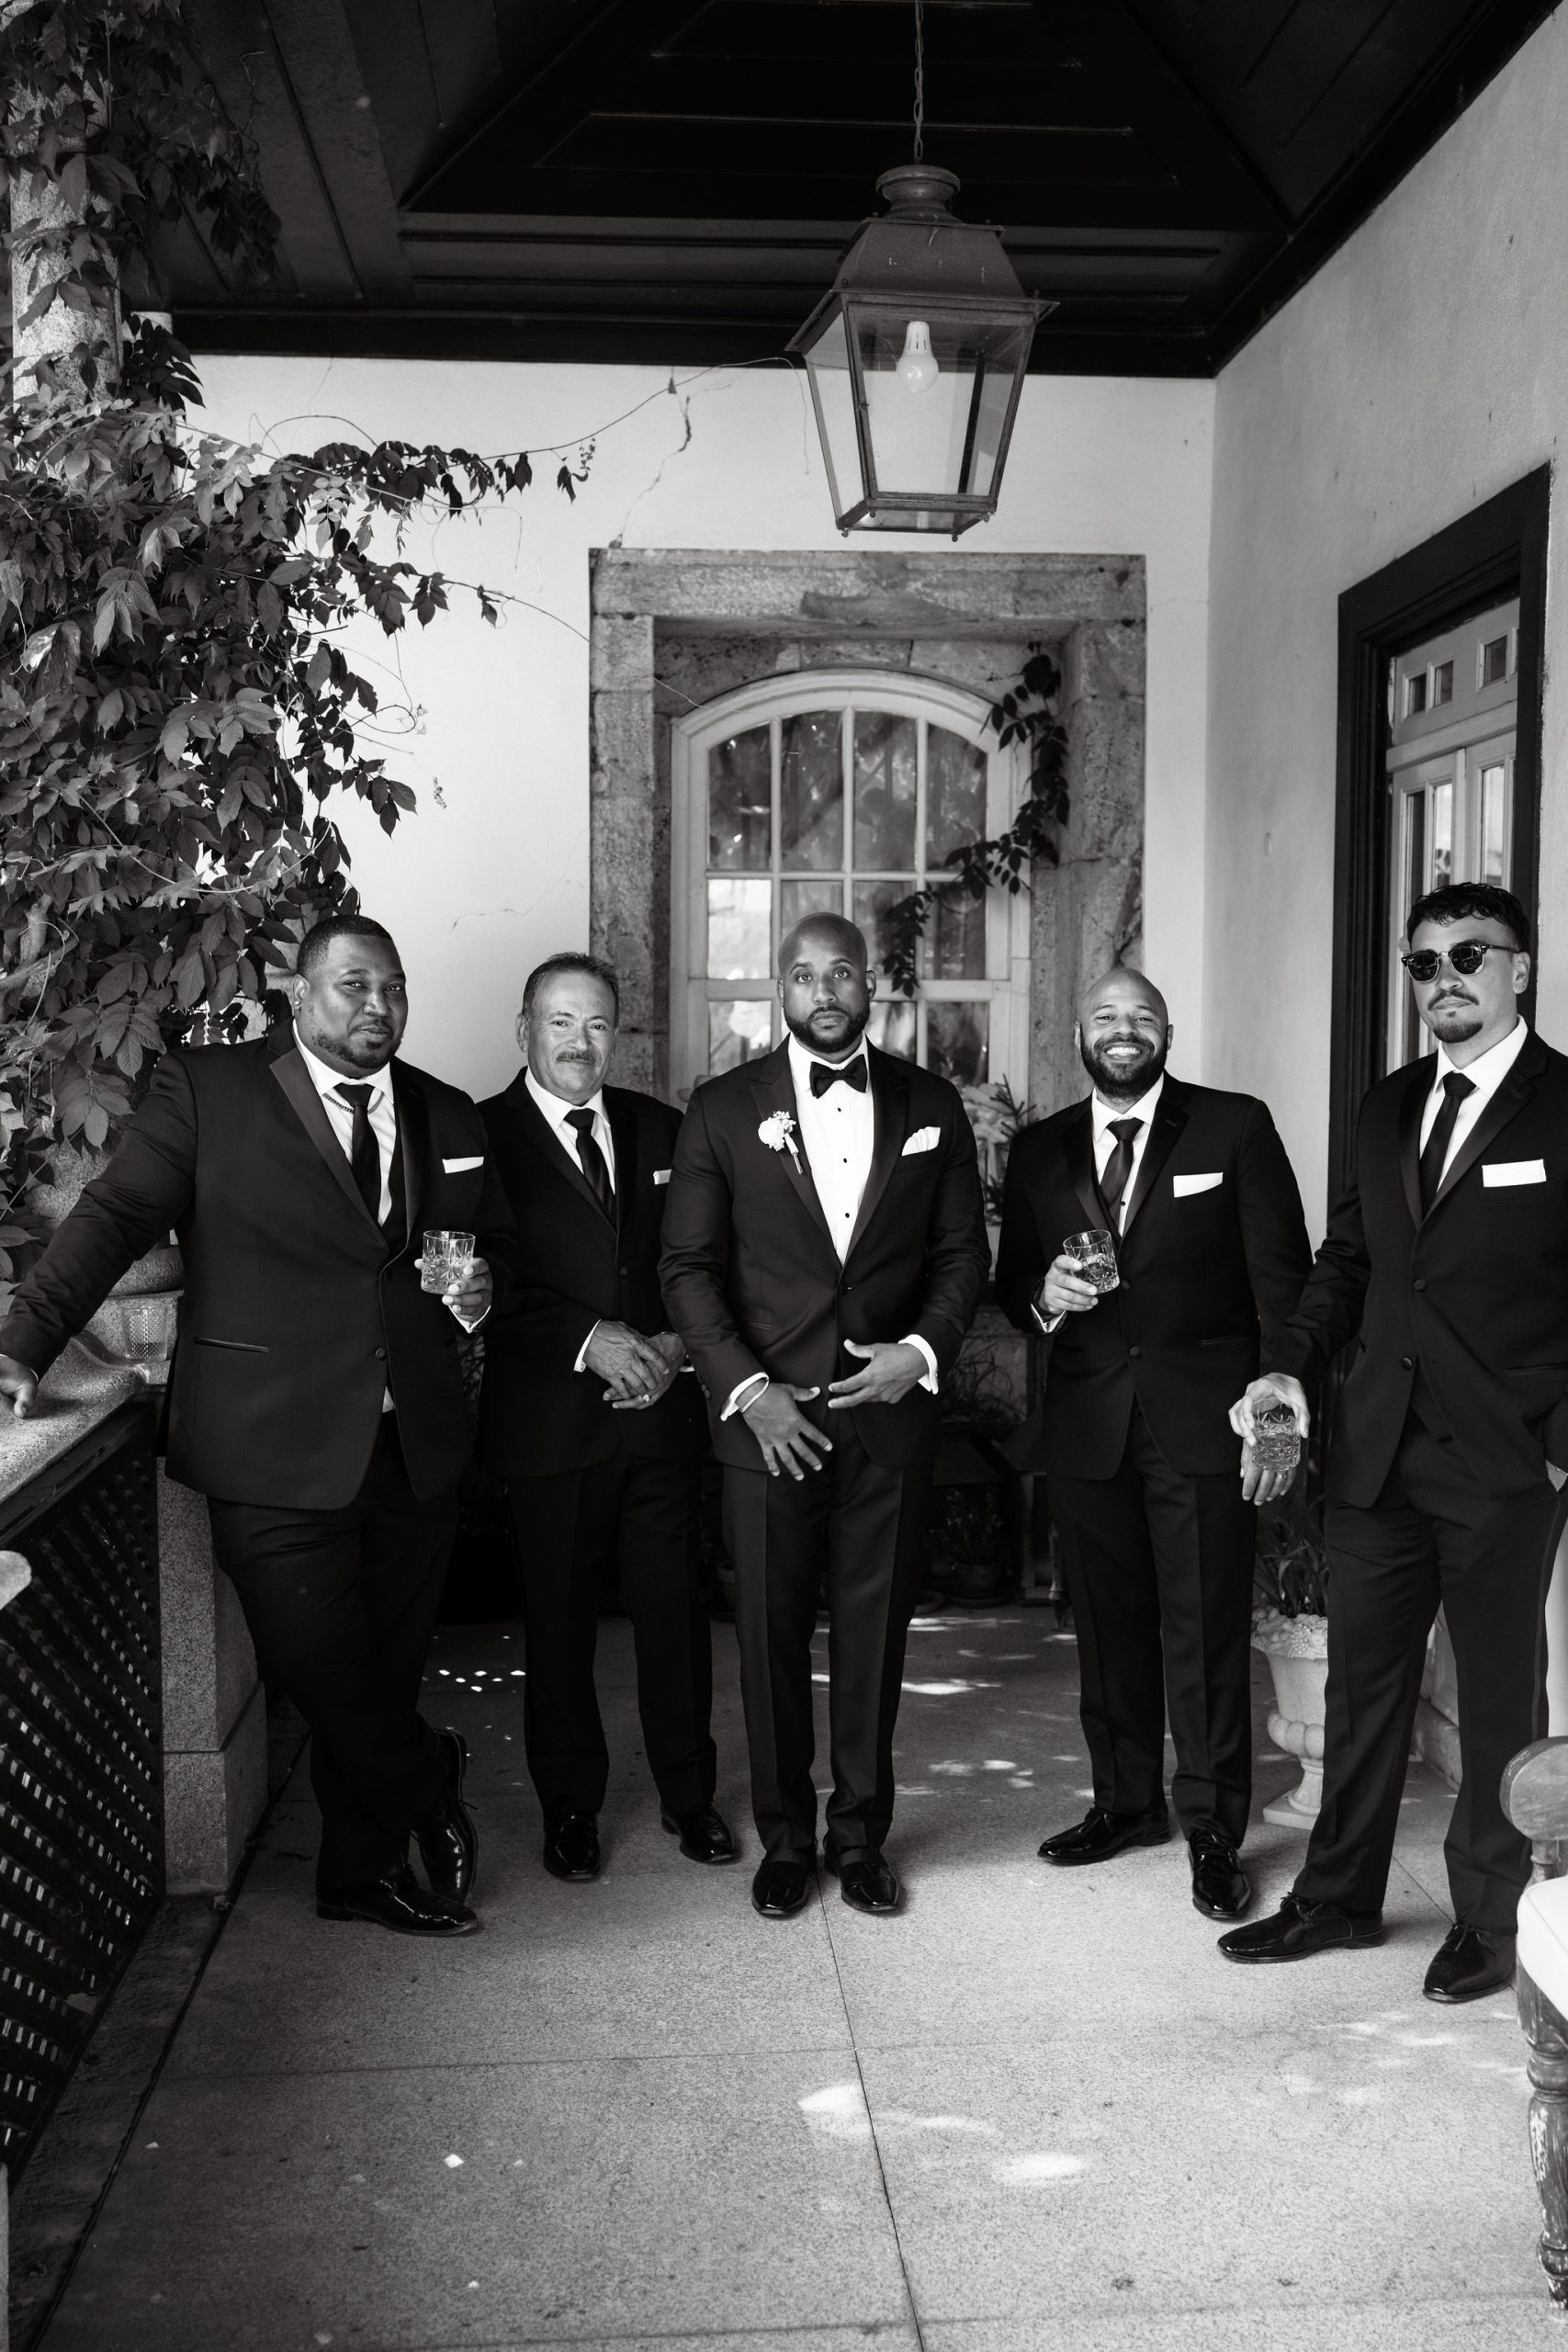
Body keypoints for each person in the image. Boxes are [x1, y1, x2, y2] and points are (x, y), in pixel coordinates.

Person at [0, 915, 518, 1939]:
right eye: (354, 985)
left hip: (414, 1443)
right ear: (298, 993)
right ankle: (429, 1773)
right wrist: (25, 1341)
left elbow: (491, 1242)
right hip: (265, 1440)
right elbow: (116, 1216)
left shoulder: (448, 1111)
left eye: (393, 987)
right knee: (316, 1657)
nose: (378, 1006)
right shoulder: (210, 1088)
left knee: (384, 1664)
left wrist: (481, 1284)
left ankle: (358, 1876)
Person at [1223, 881, 1568, 2002]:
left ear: (1521, 968)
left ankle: (1493, 1917)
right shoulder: (1386, 1106)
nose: (1444, 979)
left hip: (1506, 1460)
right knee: (1363, 1687)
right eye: (1424, 962)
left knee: (1502, 1698)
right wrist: (1292, 1363)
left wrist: (1557, 1443)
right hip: (1378, 1450)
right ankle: (1337, 1897)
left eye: (1470, 955)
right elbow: (1350, 1261)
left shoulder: (1565, 1104)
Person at [660, 914, 988, 1919]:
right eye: (803, 975)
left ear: (868, 984)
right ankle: (785, 1840)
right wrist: (749, 1393)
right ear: (781, 990)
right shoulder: (721, 1108)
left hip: (888, 1416)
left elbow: (961, 1255)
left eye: (840, 972)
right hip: (768, 1423)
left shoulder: (931, 1104)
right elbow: (687, 1268)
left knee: (873, 1635)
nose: (824, 991)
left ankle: (859, 1838)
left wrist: (918, 1354)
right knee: (766, 1638)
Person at [996, 967, 1311, 1919]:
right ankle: (1125, 1804)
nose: (1123, 1028)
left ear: (1166, 1033)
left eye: (1141, 1015)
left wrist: (1275, 1431)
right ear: (1079, 1036)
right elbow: (1013, 1285)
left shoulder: (1233, 1126)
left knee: (1205, 1630)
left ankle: (1213, 1828)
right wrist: (1043, 1296)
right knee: (1107, 1626)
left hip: (1204, 1424)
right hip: (1088, 1425)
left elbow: (1282, 1285)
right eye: (1105, 1016)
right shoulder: (1040, 1147)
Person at [476, 951, 731, 1883]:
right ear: (525, 1029)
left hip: (659, 1415)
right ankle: (571, 1808)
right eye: (560, 1022)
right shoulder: (479, 1136)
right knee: (558, 1628)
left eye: (595, 1025)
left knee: (676, 1619)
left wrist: (670, 1348)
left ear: (615, 1035)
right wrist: (591, 1340)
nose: (579, 1042)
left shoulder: (663, 1128)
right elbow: (477, 1281)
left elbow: (706, 1259)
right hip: (551, 1424)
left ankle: (689, 1797)